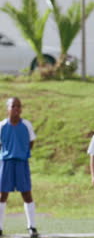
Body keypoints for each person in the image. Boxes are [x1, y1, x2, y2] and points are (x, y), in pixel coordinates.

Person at [0, 97, 39, 238]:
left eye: (19, 106)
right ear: (8, 109)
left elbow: (31, 141)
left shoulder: (26, 125)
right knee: (2, 195)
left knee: (27, 194)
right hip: (6, 163)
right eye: (13, 106)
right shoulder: (2, 126)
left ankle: (32, 227)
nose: (16, 109)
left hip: (22, 163)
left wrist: (22, 152)